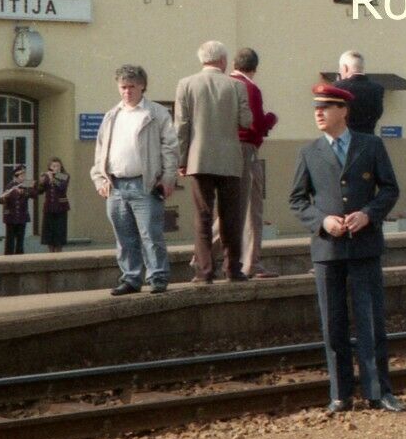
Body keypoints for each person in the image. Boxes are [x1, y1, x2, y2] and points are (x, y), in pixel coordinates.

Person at [290, 83, 403, 413]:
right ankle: (340, 394)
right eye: (316, 108)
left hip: (364, 246)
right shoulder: (309, 152)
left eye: (325, 107)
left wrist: (368, 214)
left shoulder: (371, 145)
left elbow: (390, 189)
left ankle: (378, 391)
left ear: (344, 110)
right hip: (327, 250)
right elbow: (297, 200)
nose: (319, 113)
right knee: (333, 323)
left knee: (370, 321)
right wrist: (322, 222)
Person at [91, 64, 179, 295]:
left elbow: (170, 148)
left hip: (145, 184)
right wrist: (100, 179)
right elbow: (101, 151)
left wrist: (168, 178)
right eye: (123, 87)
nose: (127, 91)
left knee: (151, 234)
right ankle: (130, 278)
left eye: (131, 86)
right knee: (124, 237)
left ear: (142, 86)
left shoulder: (156, 113)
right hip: (116, 186)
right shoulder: (112, 116)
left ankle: (157, 277)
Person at [175, 40, 253, 284]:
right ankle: (234, 269)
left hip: (199, 159)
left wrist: (181, 159)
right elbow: (246, 121)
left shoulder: (186, 84)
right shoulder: (236, 86)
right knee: (231, 216)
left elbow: (181, 127)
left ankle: (205, 271)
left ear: (202, 60)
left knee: (203, 217)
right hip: (230, 160)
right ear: (222, 61)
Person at [223, 48, 279, 279]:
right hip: (246, 151)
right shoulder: (250, 88)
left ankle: (202, 255)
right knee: (251, 209)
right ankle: (251, 263)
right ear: (254, 68)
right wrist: (271, 119)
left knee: (224, 209)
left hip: (222, 152)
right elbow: (255, 125)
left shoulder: (223, 85)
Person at [334, 51, 385, 136]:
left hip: (345, 140)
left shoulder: (337, 87)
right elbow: (378, 113)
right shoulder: (377, 88)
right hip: (369, 139)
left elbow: (333, 116)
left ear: (345, 68)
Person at [36, 158, 72, 253]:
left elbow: (62, 187)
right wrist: (41, 182)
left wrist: (52, 178)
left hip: (60, 208)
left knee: (59, 233)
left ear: (60, 167)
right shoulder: (47, 177)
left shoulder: (64, 176)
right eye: (53, 166)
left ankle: (59, 253)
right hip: (49, 208)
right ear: (50, 167)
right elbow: (39, 191)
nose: (55, 168)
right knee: (49, 234)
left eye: (57, 166)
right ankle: (50, 253)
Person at [0, 167, 32, 255]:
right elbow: (1, 200)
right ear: (16, 177)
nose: (24, 177)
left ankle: (19, 259)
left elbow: (33, 193)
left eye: (24, 175)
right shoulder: (10, 186)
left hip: (22, 217)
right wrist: (5, 197)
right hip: (11, 217)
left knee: (20, 240)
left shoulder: (27, 184)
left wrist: (24, 192)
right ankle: (8, 260)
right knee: (10, 240)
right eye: (21, 175)